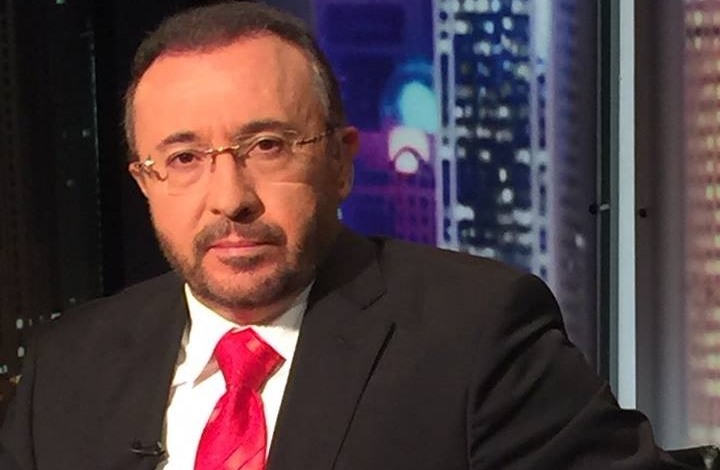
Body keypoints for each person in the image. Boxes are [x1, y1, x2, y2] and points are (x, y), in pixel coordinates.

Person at [0, 2, 688, 469]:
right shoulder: (69, 365)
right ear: (144, 181)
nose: (230, 198)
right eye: (183, 159)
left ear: (339, 161)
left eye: (268, 146)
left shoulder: (478, 333)